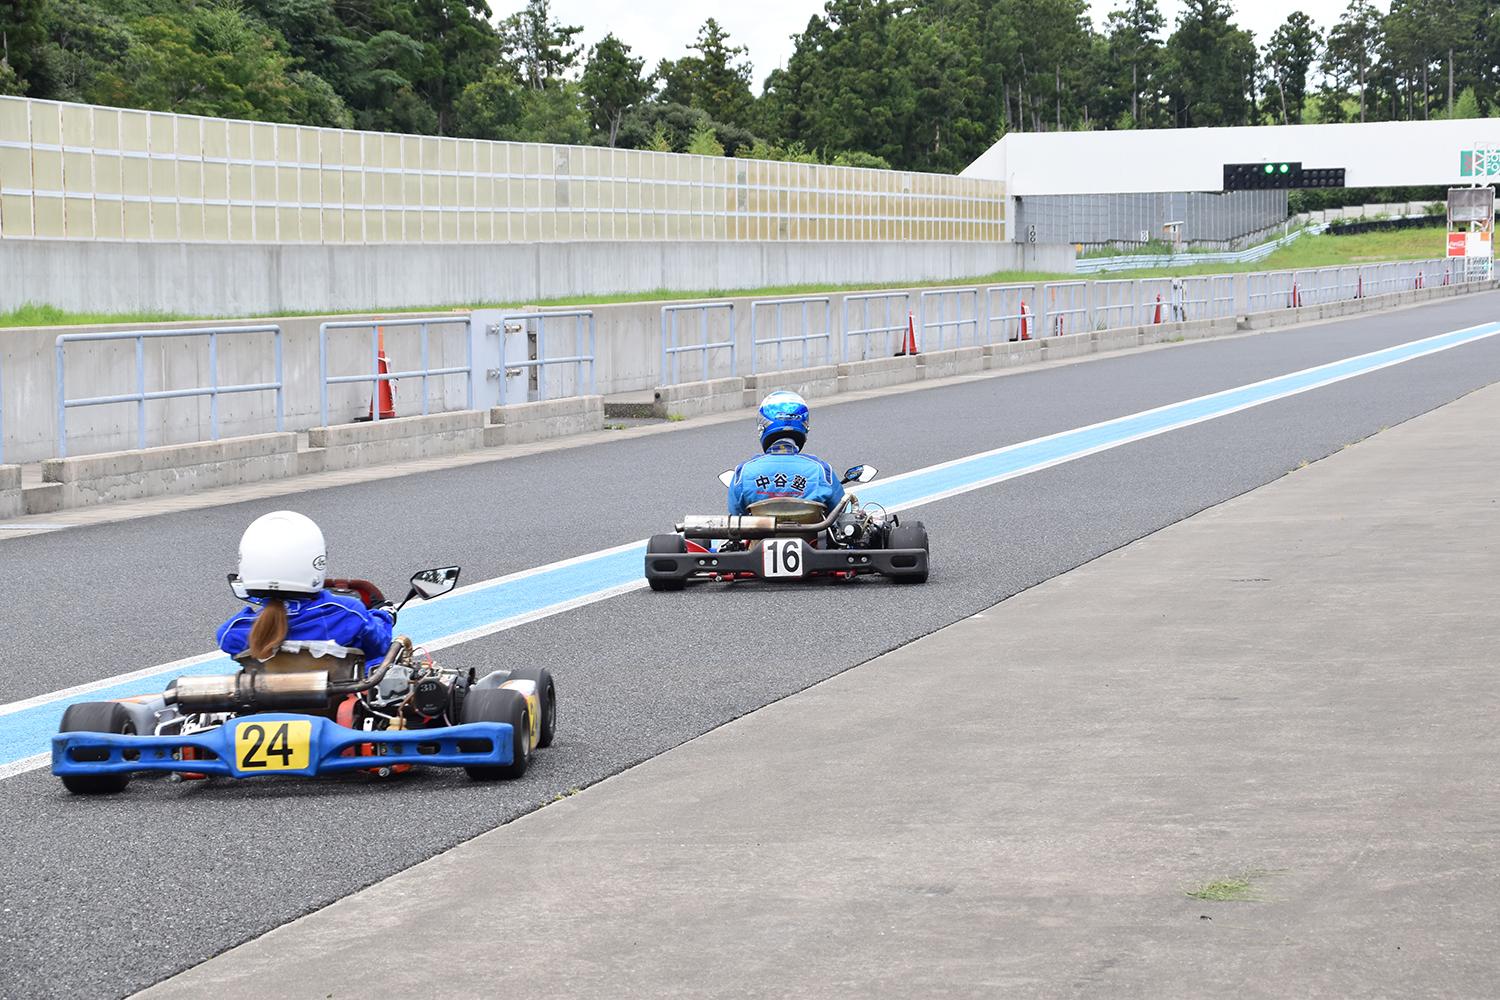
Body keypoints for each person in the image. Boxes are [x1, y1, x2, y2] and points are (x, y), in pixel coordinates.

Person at [216, 510, 394, 665]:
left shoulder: (233, 632)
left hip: (270, 700)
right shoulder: (346, 612)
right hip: (337, 698)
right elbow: (379, 644)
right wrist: (385, 614)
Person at [727, 390, 846, 516]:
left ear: (763, 426)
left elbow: (735, 513)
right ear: (804, 424)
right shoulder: (821, 470)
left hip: (759, 534)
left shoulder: (744, 471)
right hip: (810, 534)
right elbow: (839, 510)